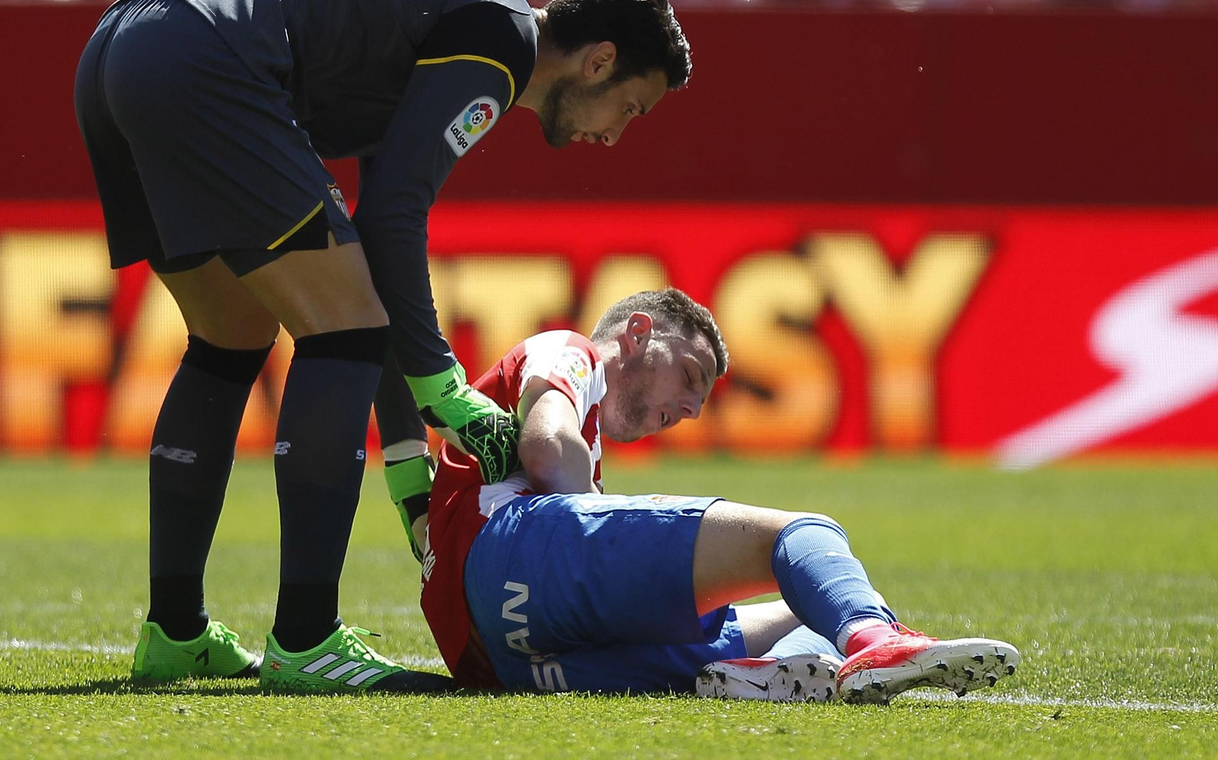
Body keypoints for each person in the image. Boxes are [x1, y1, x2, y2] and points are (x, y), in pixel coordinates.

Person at [72, 0, 692, 692]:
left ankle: (175, 630)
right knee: (343, 330)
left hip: (122, 49)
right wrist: (448, 395)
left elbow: (378, 248)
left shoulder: (453, 25)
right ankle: (305, 636)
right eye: (632, 107)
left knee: (231, 336)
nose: (618, 136)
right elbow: (390, 224)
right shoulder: (498, 37)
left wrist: (408, 462)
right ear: (600, 61)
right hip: (202, 57)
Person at [415, 289, 1021, 701]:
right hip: (512, 561)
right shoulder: (572, 350)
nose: (687, 408)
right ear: (637, 334)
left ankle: (773, 672)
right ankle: (879, 642)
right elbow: (545, 449)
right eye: (688, 376)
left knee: (805, 608)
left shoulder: (587, 447)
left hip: (498, 661)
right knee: (804, 533)